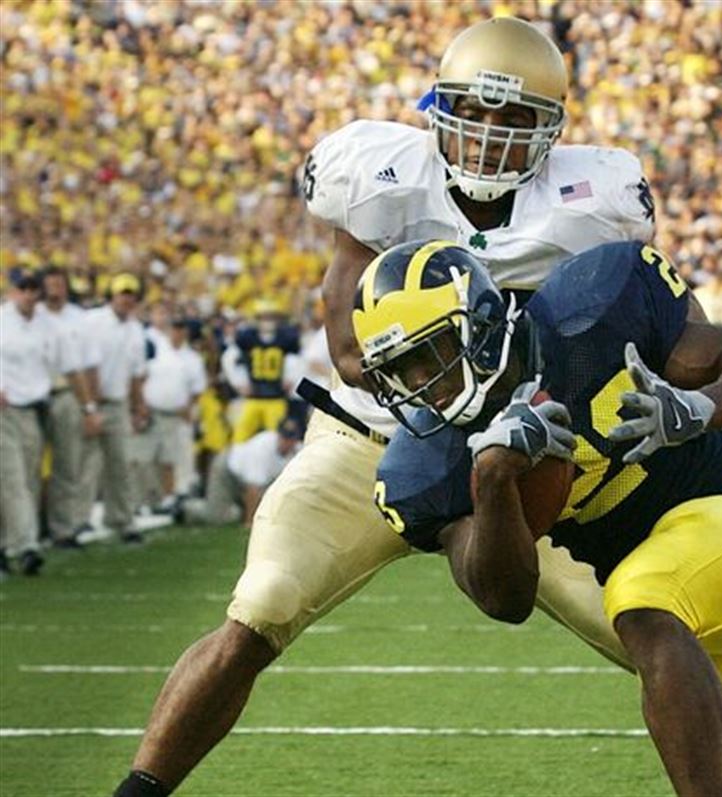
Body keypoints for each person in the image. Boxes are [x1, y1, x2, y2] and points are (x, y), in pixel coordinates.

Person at [112, 18, 658, 797]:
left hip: (518, 451)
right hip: (371, 437)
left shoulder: (590, 201)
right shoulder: (381, 176)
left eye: (516, 120)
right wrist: (473, 382)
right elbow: (347, 349)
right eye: (477, 111)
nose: (492, 136)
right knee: (259, 607)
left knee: (645, 621)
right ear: (438, 107)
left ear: (554, 130)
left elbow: (623, 320)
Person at [363, 239, 722, 796]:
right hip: (705, 618)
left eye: (429, 354)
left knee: (639, 601)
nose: (419, 383)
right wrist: (493, 481)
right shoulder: (426, 465)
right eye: (399, 371)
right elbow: (505, 600)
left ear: (480, 327)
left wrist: (699, 407)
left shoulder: (592, 313)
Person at [0, 268, 96, 575]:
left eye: (33, 289)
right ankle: (25, 546)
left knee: (25, 480)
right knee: (12, 478)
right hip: (4, 409)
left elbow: (72, 368)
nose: (28, 294)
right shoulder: (2, 320)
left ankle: (8, 544)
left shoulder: (49, 327)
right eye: (22, 288)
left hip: (33, 411)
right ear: (12, 291)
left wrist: (89, 407)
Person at [78, 273, 149, 545]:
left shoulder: (135, 330)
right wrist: (88, 405)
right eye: (122, 293)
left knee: (120, 463)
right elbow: (83, 365)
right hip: (90, 401)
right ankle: (78, 520)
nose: (127, 298)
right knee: (85, 464)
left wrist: (139, 405)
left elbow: (136, 373)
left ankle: (122, 519)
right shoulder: (92, 321)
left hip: (117, 402)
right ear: (112, 295)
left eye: (131, 294)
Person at [39, 265, 101, 548]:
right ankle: (29, 527)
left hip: (67, 393)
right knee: (26, 467)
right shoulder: (27, 316)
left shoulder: (80, 319)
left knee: (67, 465)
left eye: (59, 284)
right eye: (49, 284)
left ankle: (63, 527)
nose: (55, 290)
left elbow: (89, 365)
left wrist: (90, 405)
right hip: (30, 397)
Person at [178, 418, 303, 527]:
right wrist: (249, 523)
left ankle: (239, 510)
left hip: (252, 479)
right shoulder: (262, 447)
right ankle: (184, 507)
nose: (288, 442)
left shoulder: (299, 451)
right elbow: (252, 489)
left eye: (291, 438)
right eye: (285, 437)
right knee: (215, 517)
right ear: (278, 435)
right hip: (227, 471)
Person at [138, 318, 208, 512]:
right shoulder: (157, 350)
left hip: (177, 414)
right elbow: (142, 376)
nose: (177, 333)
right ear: (168, 330)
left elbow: (198, 388)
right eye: (174, 329)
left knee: (174, 458)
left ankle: (173, 497)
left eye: (180, 330)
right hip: (152, 411)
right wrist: (141, 404)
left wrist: (189, 407)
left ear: (185, 333)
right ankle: (148, 498)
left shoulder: (192, 358)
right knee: (147, 457)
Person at [224, 300, 300, 443]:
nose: (268, 321)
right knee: (239, 437)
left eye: (271, 317)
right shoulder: (246, 337)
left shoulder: (286, 337)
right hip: (252, 397)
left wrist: (291, 378)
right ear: (257, 318)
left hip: (276, 397)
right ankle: (236, 465)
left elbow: (295, 360)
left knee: (275, 438)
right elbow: (231, 359)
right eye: (264, 317)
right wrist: (239, 383)